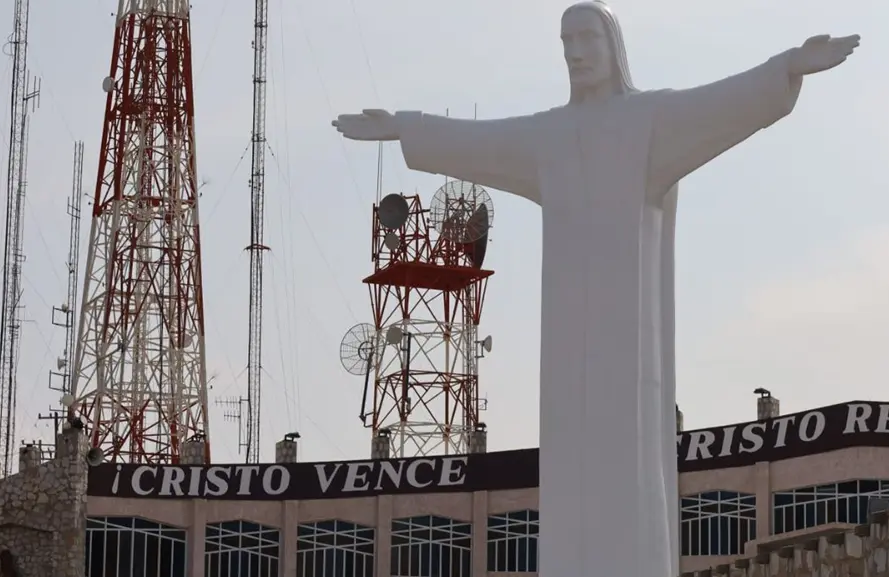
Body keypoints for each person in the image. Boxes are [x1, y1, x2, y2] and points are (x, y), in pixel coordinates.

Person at [333, 3, 859, 575]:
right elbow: (479, 140)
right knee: (566, 477)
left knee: (628, 470)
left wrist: (787, 68)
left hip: (628, 347)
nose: (575, 52)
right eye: (566, 41)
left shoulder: (649, 121)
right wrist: (406, 128)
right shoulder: (548, 137)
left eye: (586, 38)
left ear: (612, 45)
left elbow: (720, 102)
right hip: (565, 350)